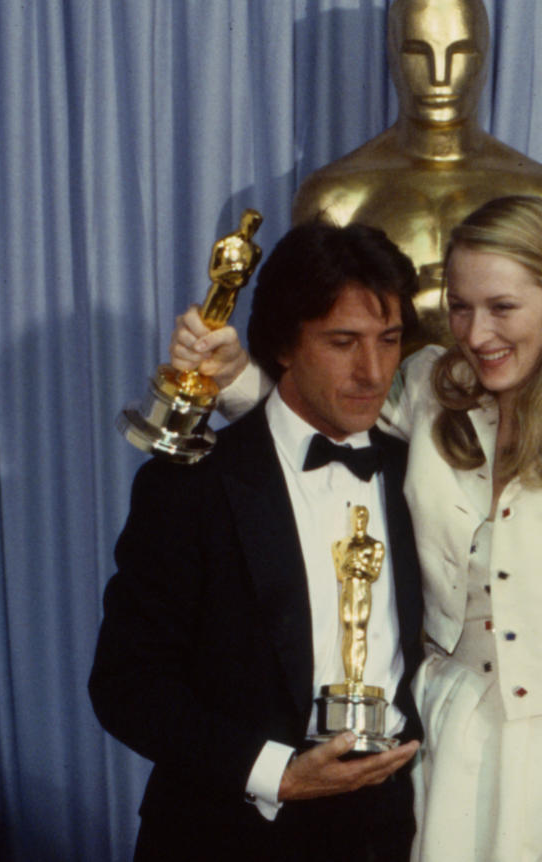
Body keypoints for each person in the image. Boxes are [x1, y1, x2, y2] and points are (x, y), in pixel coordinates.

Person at [171, 196, 542, 862]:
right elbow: (323, 438)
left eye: (502, 307)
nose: (476, 335)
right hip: (431, 748)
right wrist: (232, 372)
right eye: (460, 307)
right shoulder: (428, 386)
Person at [89, 221, 426, 862]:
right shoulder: (191, 484)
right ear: (282, 346)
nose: (373, 371)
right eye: (342, 342)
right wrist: (280, 774)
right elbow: (127, 686)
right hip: (224, 832)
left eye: (389, 341)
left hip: (386, 834)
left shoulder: (419, 472)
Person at [293, 0, 542, 346]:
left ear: (484, 55)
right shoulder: (334, 197)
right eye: (418, 53)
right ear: (393, 53)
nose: (440, 76)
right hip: (377, 396)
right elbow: (318, 345)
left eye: (460, 52)